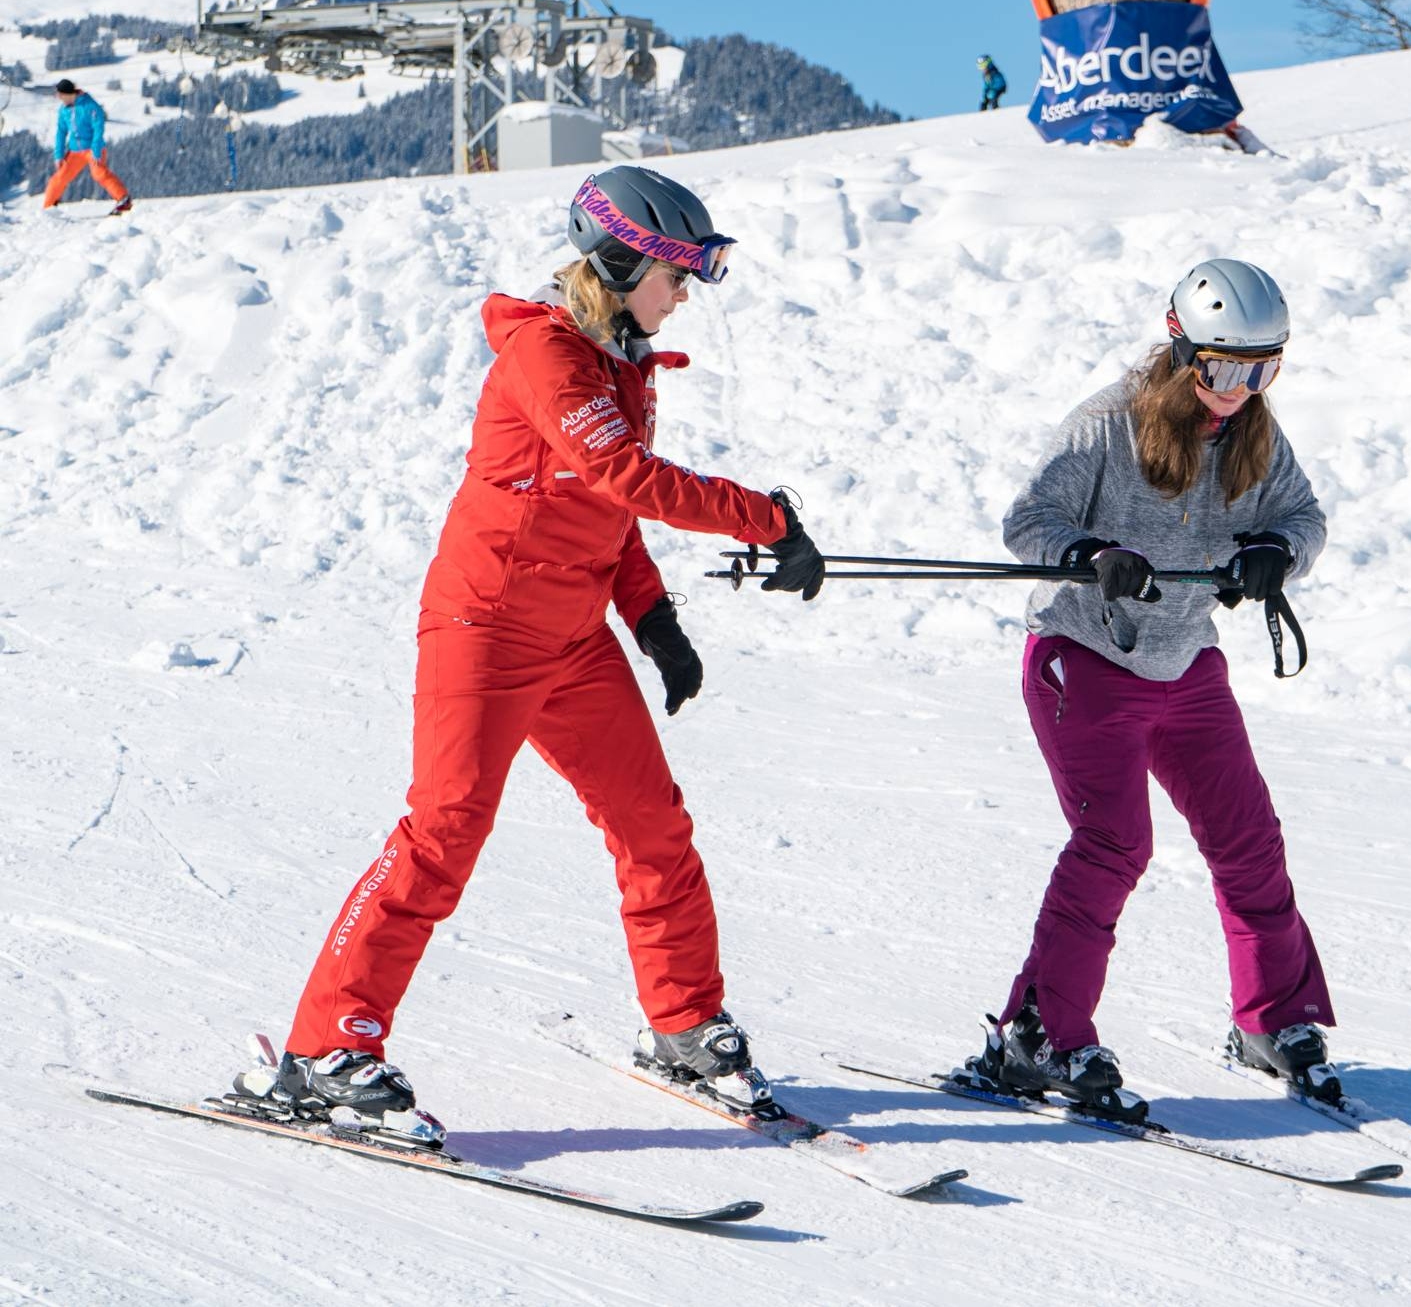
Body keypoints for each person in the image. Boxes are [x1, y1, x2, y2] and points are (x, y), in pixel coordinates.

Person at [230, 166, 828, 1143]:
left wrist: (651, 620)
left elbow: (599, 509)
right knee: (445, 830)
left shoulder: (619, 364)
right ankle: (324, 1049)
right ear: (622, 259)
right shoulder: (545, 353)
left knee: (652, 824)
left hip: (570, 636)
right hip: (483, 625)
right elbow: (621, 475)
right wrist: (761, 518)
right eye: (678, 274)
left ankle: (681, 1023)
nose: (684, 297)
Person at [953, 259, 1335, 1123]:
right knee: (1114, 844)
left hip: (1184, 661)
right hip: (1084, 658)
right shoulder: (1106, 426)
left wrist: (1276, 548)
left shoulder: (1253, 434)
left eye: (1263, 368)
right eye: (1225, 368)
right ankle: (1038, 1036)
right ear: (1179, 350)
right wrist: (1090, 555)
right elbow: (1028, 523)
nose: (1241, 389)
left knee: (1248, 838)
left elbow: (1305, 518)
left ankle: (1276, 1020)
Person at [44, 79, 132, 215]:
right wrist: (59, 155)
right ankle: (48, 208)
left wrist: (96, 150)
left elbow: (98, 128)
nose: (59, 98)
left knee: (99, 173)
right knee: (59, 177)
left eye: (61, 95)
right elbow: (61, 132)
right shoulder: (63, 110)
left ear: (69, 93)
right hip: (75, 151)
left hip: (92, 149)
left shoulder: (90, 106)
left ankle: (123, 200)